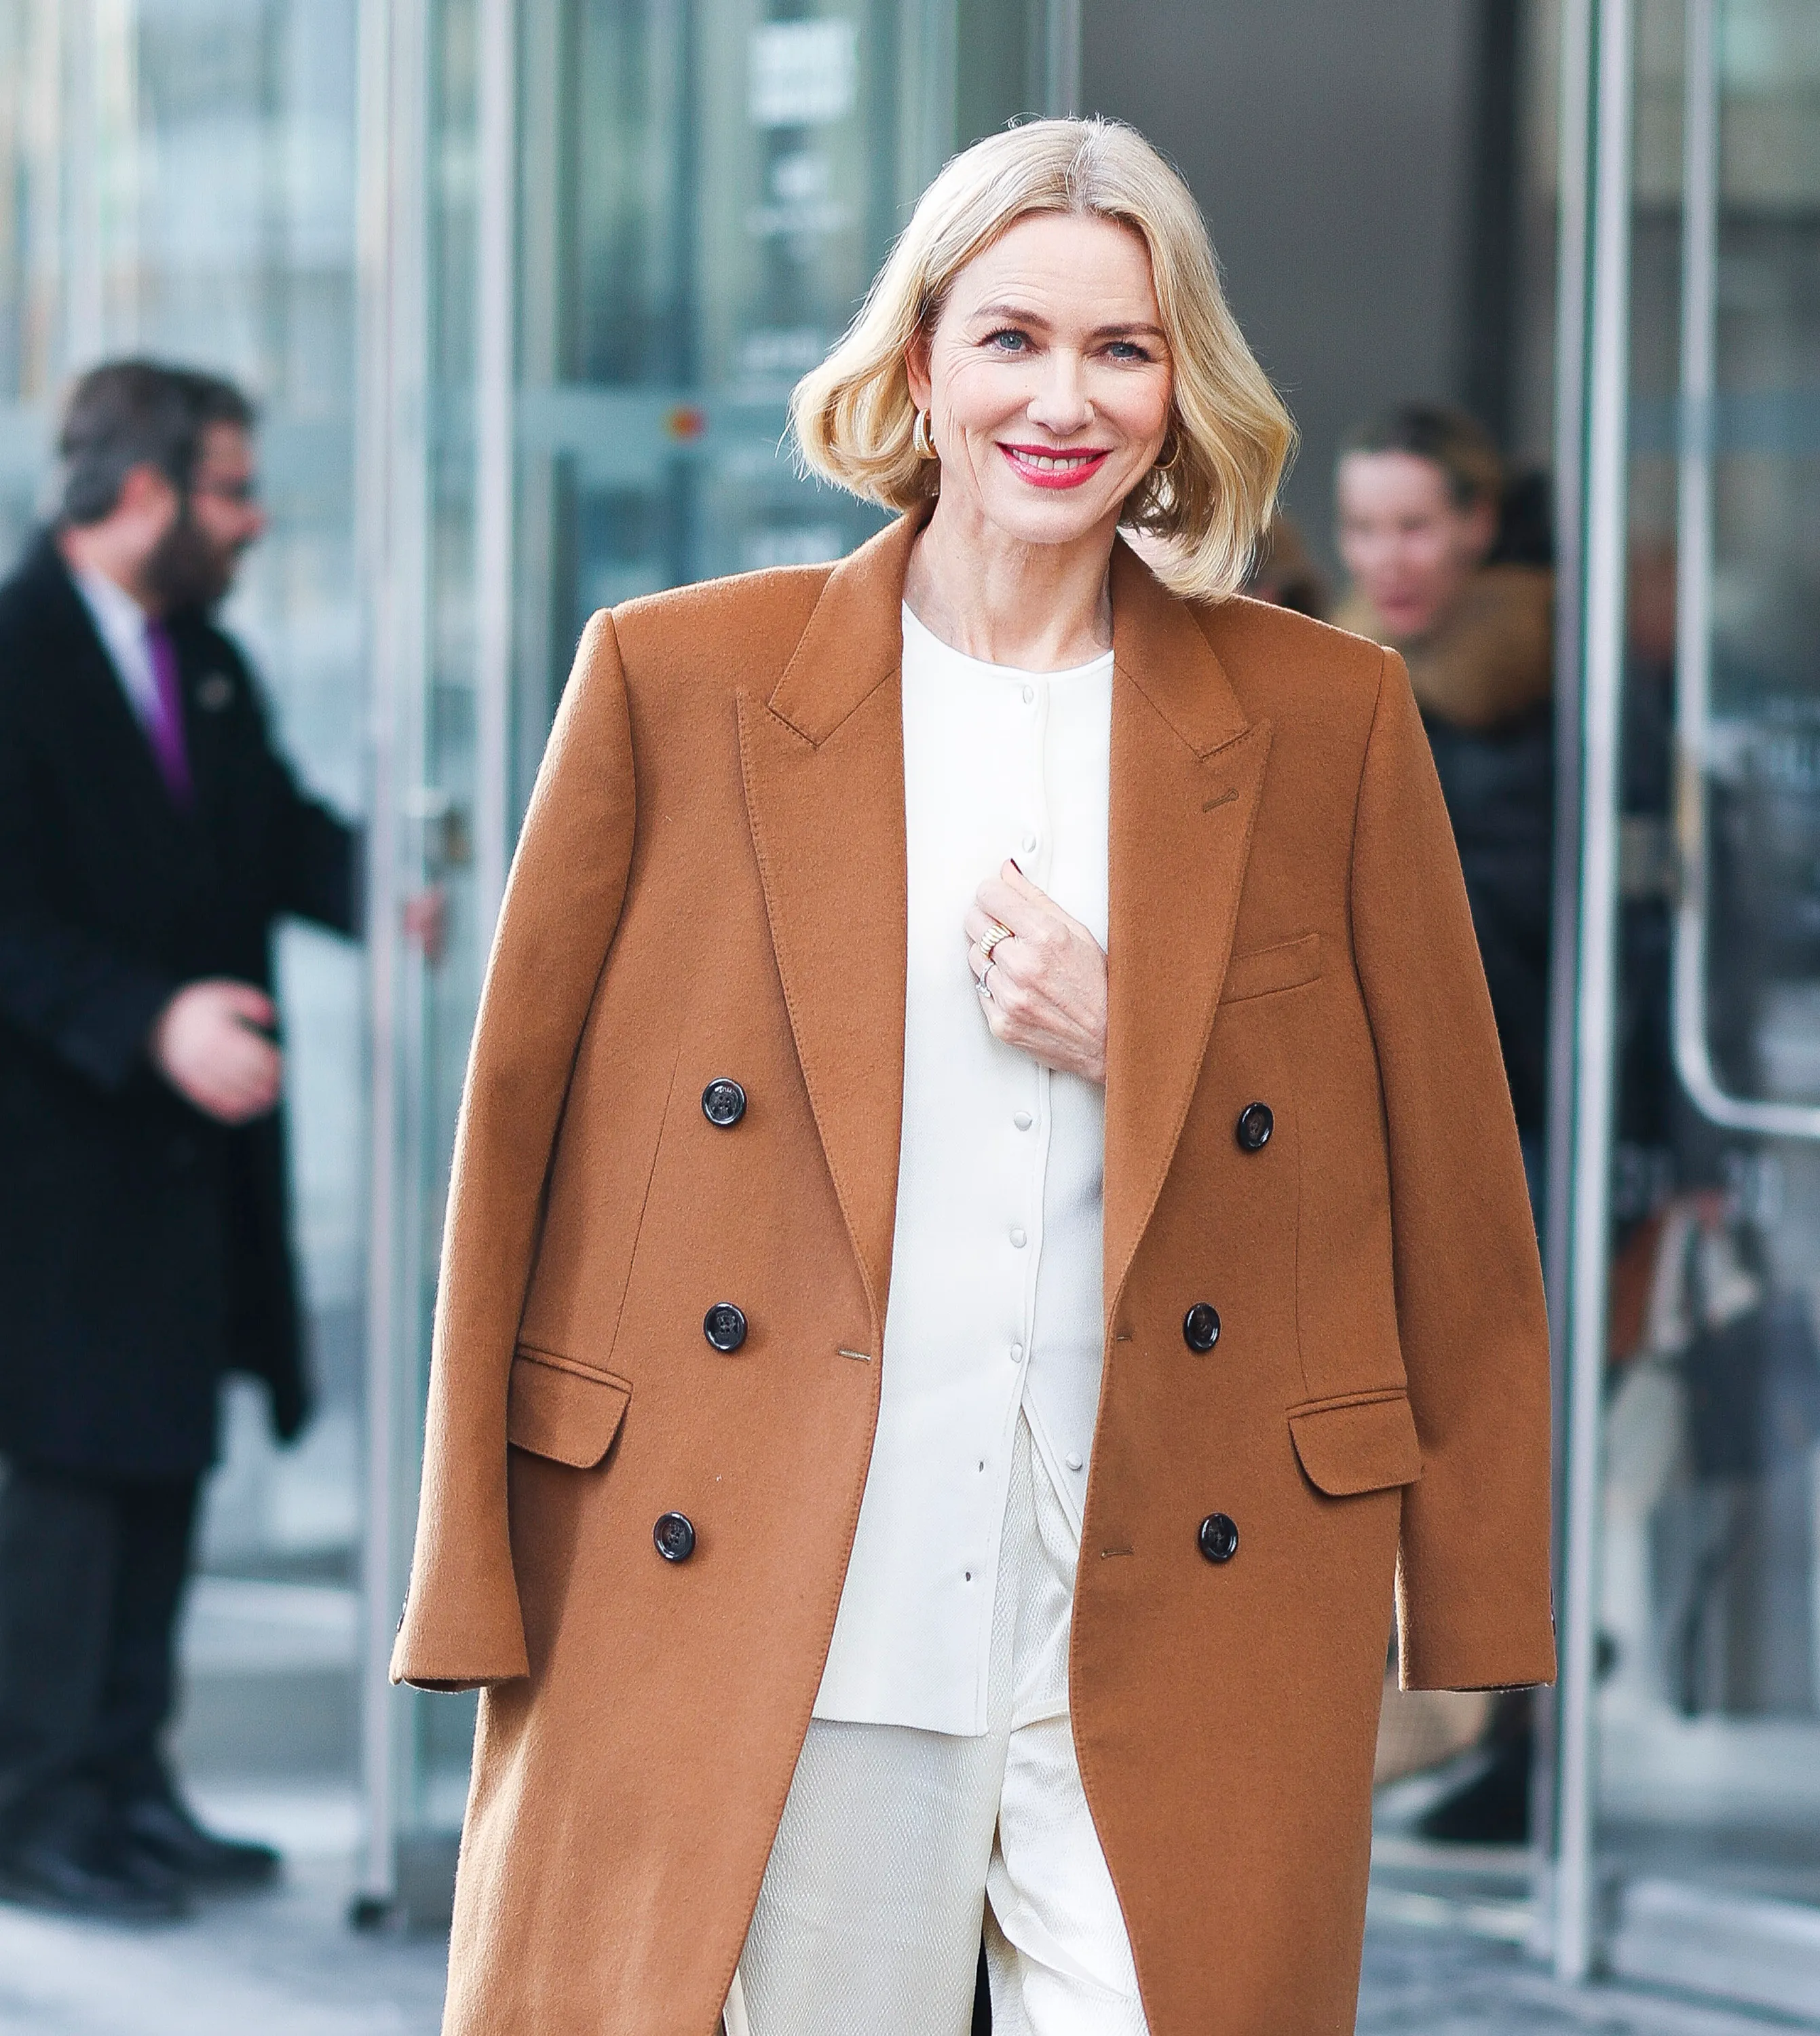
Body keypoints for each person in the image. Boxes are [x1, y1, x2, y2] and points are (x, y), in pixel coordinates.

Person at [394, 118, 1553, 2036]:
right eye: (1014, 338)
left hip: (1193, 1590)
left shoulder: (1325, 716)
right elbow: (510, 1147)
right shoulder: (675, 684)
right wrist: (470, 1574)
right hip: (796, 1595)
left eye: (1126, 348)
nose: (1065, 400)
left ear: (1184, 392)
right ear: (919, 360)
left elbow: (1441, 1168)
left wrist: (1144, 1032)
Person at [0, 361, 360, 1918]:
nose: (252, 517)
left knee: (163, 1467)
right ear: (137, 493)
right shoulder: (12, 660)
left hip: (188, 1173)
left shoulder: (198, 657)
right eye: (227, 488)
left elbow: (278, 835)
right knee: (75, 1491)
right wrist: (149, 1022)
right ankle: (38, 1807)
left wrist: (413, 886)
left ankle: (131, 1784)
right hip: (59, 1164)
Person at [1334, 403, 1557, 1846]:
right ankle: (1473, 1732)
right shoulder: (1345, 674)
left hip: (1527, 1131)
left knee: (1500, 1450)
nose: (1391, 556)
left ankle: (1520, 1742)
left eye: (1419, 524)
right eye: (1365, 526)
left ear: (1479, 526)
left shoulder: (1532, 692)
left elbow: (1526, 944)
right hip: (1388, 1142)